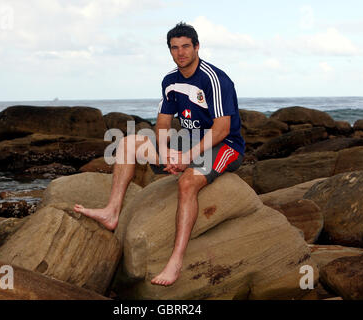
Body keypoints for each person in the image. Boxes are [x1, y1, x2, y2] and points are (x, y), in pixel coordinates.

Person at [74, 22, 245, 287]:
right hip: (188, 143)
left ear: (196, 47)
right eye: (175, 48)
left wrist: (186, 157)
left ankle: (175, 260)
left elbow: (222, 129)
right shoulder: (170, 81)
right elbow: (163, 124)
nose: (181, 53)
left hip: (225, 146)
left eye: (186, 46)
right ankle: (112, 211)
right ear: (170, 50)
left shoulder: (214, 79)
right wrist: (165, 152)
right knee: (129, 143)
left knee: (187, 183)